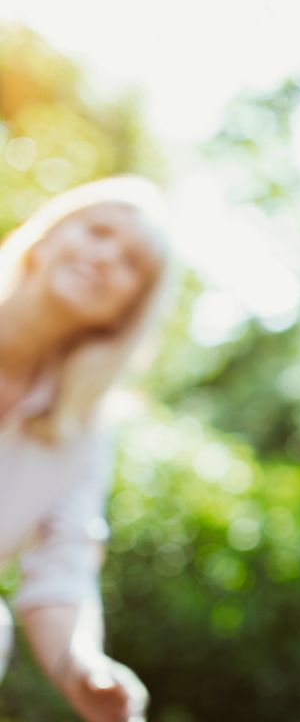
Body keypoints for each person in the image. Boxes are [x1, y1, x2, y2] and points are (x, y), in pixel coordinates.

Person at [0, 177, 169, 722]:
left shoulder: (82, 428)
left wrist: (80, 664)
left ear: (126, 311)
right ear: (47, 237)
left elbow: (63, 565)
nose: (104, 259)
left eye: (130, 264)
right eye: (97, 232)